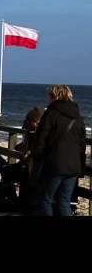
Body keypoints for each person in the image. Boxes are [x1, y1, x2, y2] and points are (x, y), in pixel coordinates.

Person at [32, 85, 86, 216]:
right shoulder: (77, 116)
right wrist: (81, 166)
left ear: (54, 96)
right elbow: (82, 144)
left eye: (50, 96)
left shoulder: (51, 113)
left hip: (54, 164)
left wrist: (38, 158)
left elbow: (41, 139)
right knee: (64, 201)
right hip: (73, 166)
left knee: (46, 200)